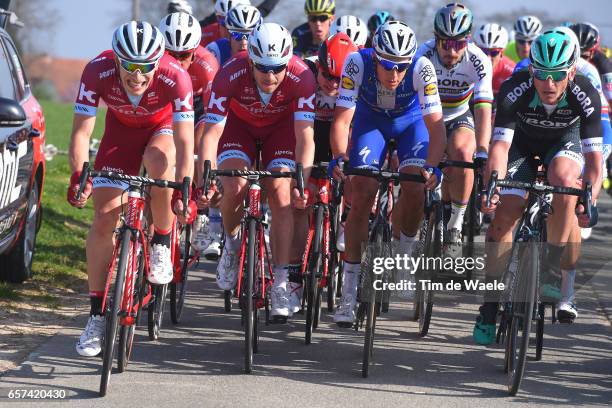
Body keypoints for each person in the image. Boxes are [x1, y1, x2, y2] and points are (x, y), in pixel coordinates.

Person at [68, 21, 196, 357]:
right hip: (119, 136)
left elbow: (185, 143)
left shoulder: (175, 77)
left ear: (159, 61)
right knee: (102, 218)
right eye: (129, 65)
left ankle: (161, 241)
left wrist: (185, 188)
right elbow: (81, 133)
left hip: (162, 129)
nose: (137, 75)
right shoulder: (97, 70)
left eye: (145, 67)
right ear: (116, 60)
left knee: (158, 160)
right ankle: (96, 316)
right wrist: (78, 177)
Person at [473, 28, 602, 345]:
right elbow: (500, 149)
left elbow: (595, 162)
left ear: (571, 70)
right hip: (520, 147)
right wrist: (493, 187)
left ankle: (551, 268)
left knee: (565, 183)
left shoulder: (585, 94)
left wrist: (591, 200)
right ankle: (490, 304)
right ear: (532, 70)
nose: (550, 83)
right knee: (506, 214)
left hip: (562, 144)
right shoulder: (514, 90)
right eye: (542, 74)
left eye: (558, 75)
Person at [329, 21, 446, 326]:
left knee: (415, 187)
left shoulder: (422, 68)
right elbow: (343, 120)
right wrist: (340, 156)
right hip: (371, 123)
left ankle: (404, 255)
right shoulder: (357, 62)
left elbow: (435, 126)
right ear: (375, 56)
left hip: (411, 125)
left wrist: (433, 166)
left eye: (400, 67)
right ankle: (350, 292)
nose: (394, 75)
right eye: (386, 65)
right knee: (362, 193)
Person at [197, 23, 316, 322]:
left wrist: (302, 180)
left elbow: (305, 136)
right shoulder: (230, 73)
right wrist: (207, 179)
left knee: (281, 190)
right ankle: (232, 245)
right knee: (234, 183)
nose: (270, 76)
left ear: (287, 61)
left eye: (277, 68)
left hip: (281, 132)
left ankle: (279, 282)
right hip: (239, 129)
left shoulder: (302, 77)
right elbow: (211, 134)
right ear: (251, 60)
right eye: (262, 68)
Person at [287, 32, 359, 314]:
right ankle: (293, 275)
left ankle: (344, 221)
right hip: (307, 134)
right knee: (300, 202)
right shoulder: (304, 72)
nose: (332, 84)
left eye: (339, 79)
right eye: (327, 75)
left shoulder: (357, 77)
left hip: (340, 135)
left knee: (355, 172)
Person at [417, 3, 493, 258]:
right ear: (436, 39)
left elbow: (483, 109)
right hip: (427, 115)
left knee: (462, 153)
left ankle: (455, 225)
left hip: (460, 114)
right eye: (445, 43)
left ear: (468, 41)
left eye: (458, 44)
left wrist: (482, 150)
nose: (451, 51)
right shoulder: (422, 55)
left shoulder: (478, 60)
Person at [160, 12, 223, 258]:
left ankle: (202, 209)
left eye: (183, 56)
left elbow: (212, 120)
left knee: (198, 143)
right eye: (170, 55)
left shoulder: (207, 67)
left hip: (198, 107)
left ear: (195, 52)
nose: (176, 61)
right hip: (166, 104)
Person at [473, 23, 515, 100]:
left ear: (502, 52)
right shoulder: (466, 65)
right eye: (483, 52)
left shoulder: (512, 71)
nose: (488, 58)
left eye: (494, 53)